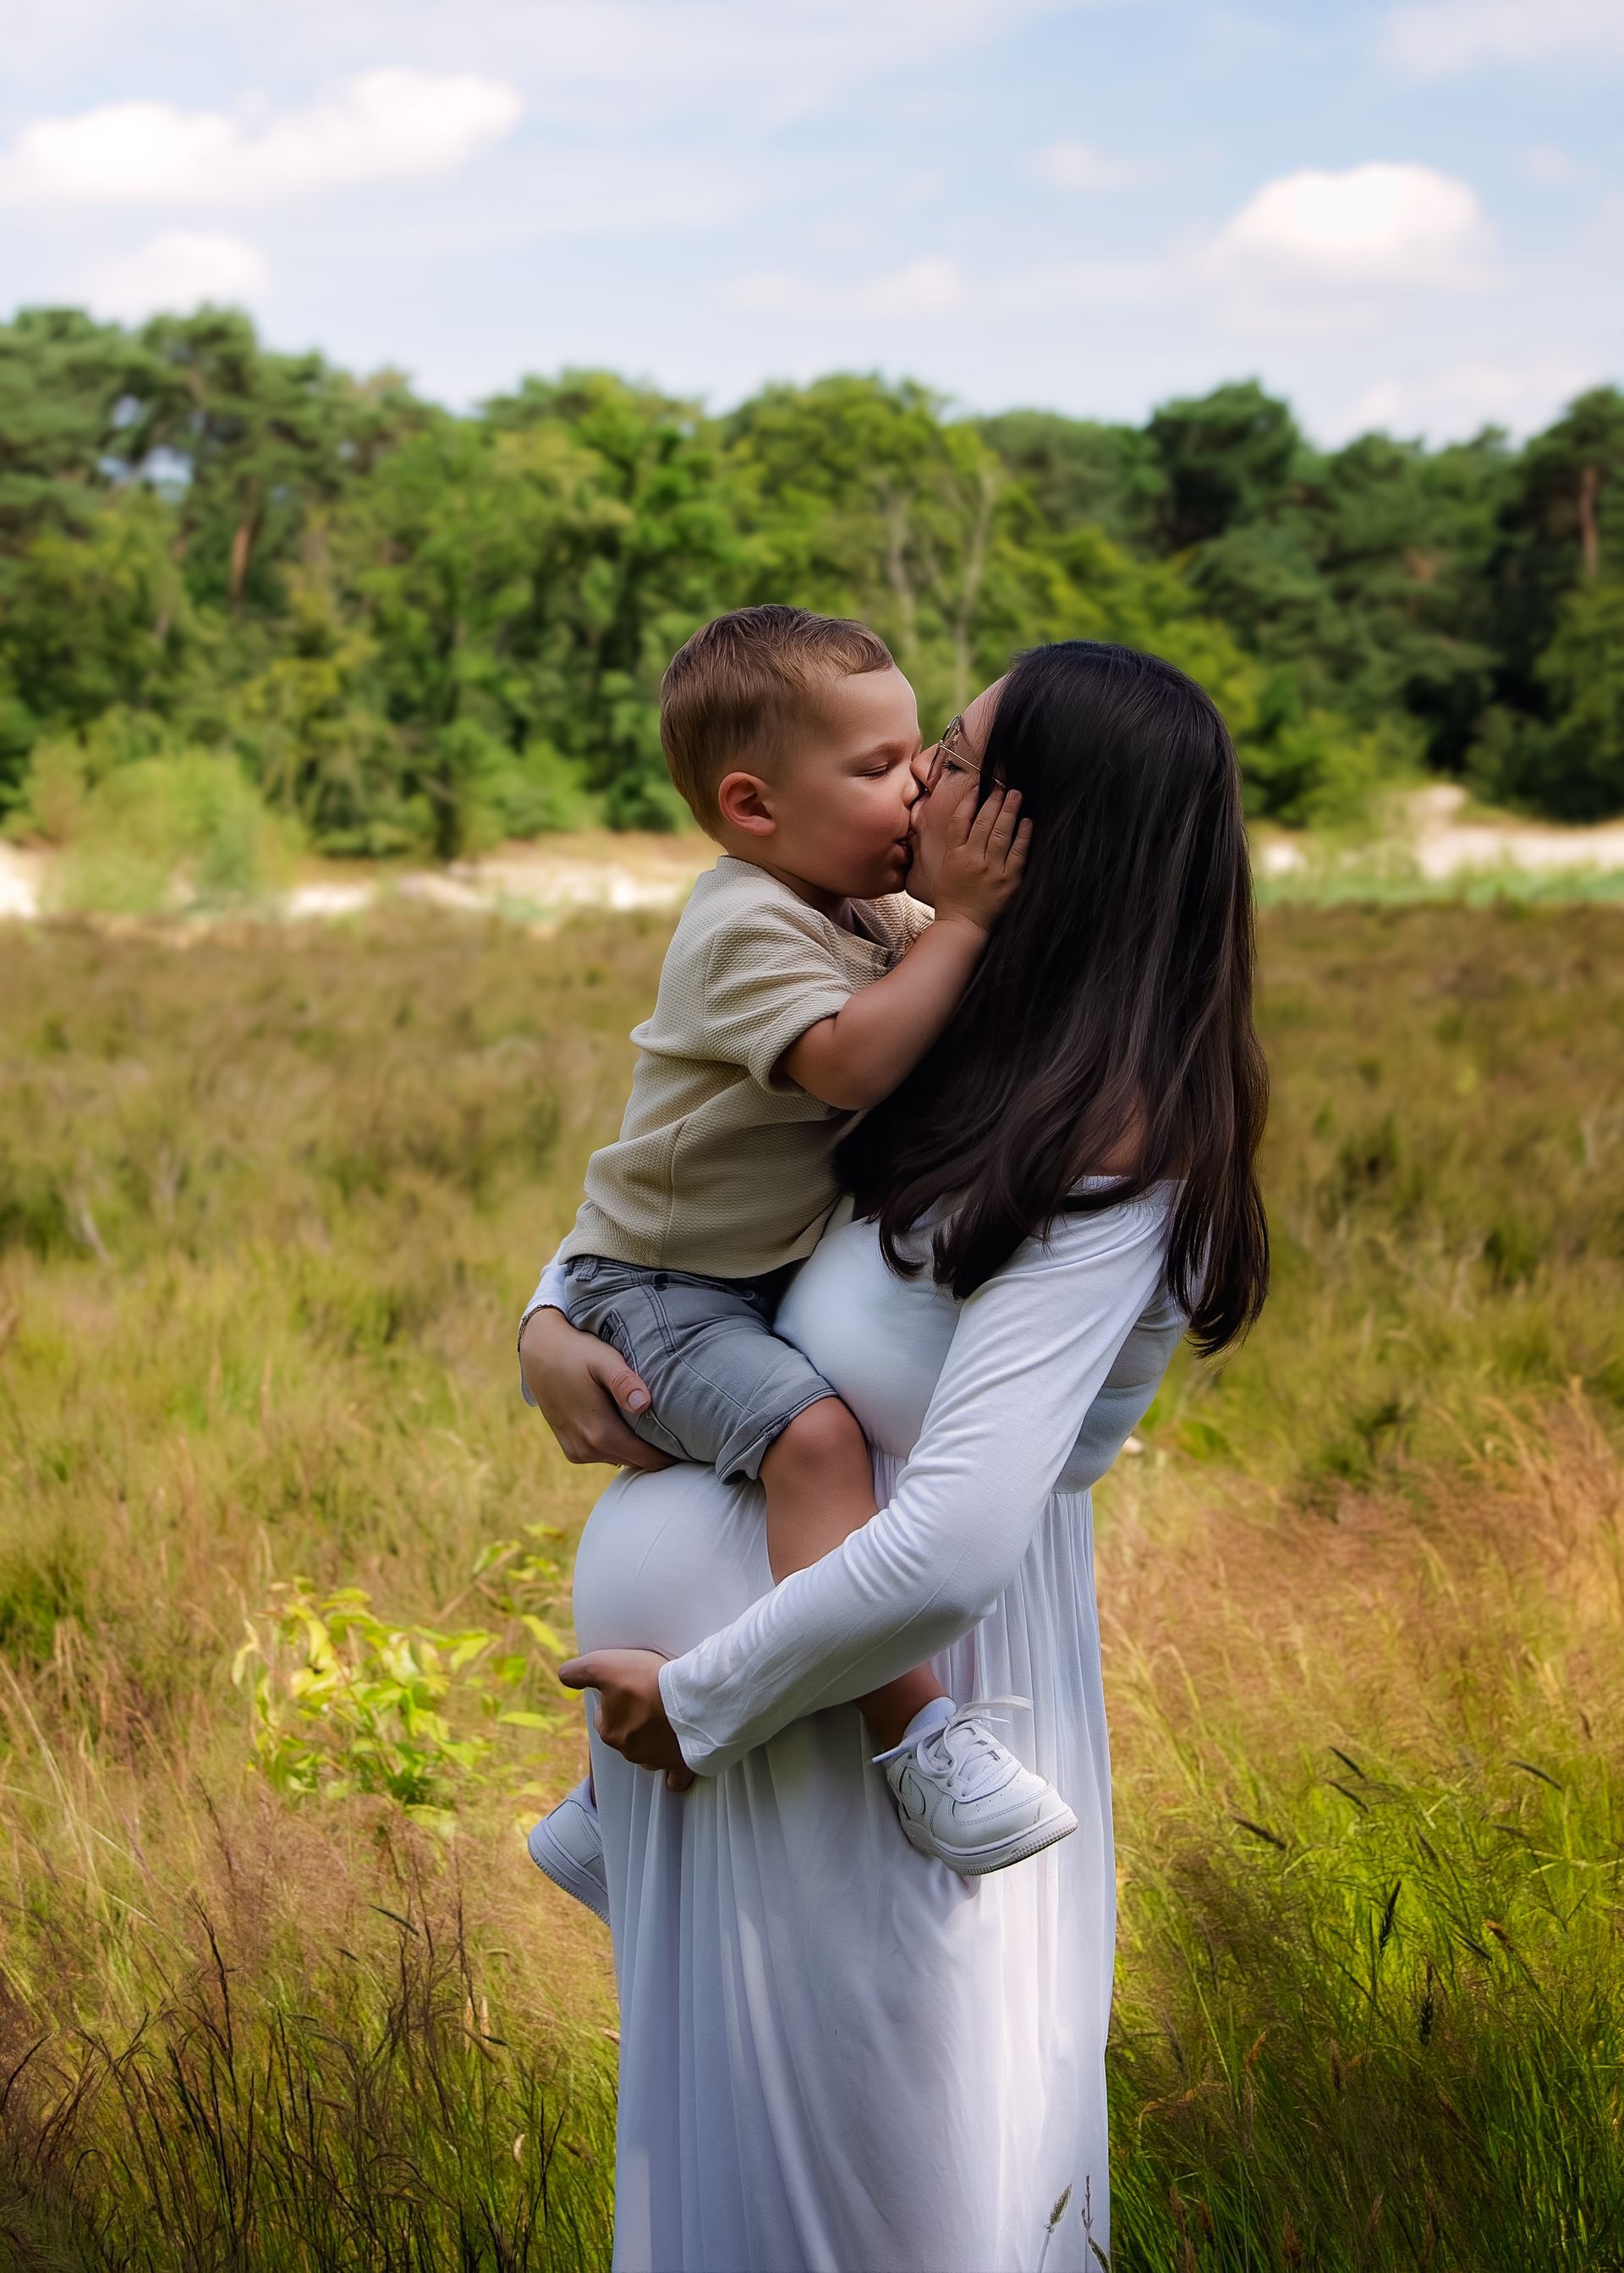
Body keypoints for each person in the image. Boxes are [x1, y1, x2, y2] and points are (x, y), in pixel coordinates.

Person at [523, 641, 1270, 2272]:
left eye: (957, 753)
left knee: (886, 2208)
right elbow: (694, 1186)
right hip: (729, 1760)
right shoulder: (940, 1011)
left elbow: (943, 1550)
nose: (921, 776)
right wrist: (546, 1316)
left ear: (1041, 827)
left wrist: (702, 1695)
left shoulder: (1109, 1149)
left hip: (858, 1752)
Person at [525, 603, 1075, 1917]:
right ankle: (919, 1740)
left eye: (923, 756)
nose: (919, 788)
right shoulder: (746, 921)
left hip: (730, 1279)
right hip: (663, 1292)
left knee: (790, 1448)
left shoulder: (872, 907)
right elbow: (847, 1058)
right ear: (754, 807)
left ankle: (601, 1817)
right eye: (880, 768)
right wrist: (967, 920)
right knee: (815, 1445)